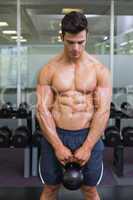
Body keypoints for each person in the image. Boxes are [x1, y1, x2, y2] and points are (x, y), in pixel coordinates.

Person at [36, 11, 112, 200]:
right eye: (71, 42)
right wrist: (57, 146)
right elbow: (42, 110)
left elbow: (103, 111)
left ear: (87, 37)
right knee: (50, 189)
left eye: (81, 42)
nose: (76, 48)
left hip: (88, 135)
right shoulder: (49, 69)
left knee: (90, 190)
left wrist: (87, 146)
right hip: (56, 134)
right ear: (62, 37)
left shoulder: (99, 70)